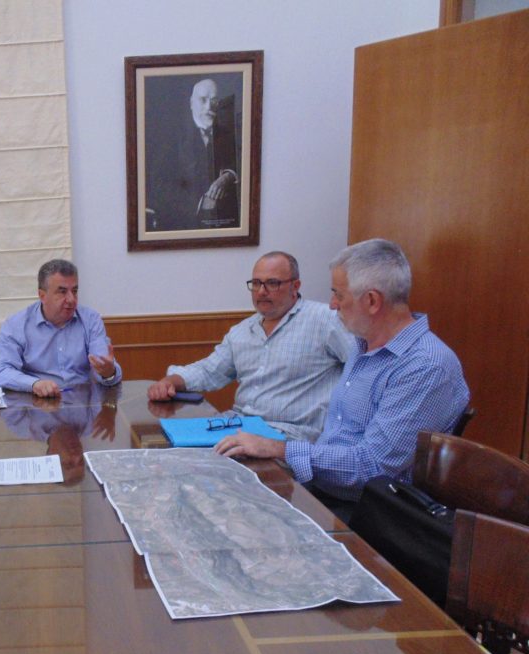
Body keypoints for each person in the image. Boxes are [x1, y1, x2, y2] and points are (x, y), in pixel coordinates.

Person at [215, 239, 470, 515]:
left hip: (368, 514)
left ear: (372, 301)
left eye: (339, 295)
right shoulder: (362, 346)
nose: (333, 305)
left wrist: (280, 449)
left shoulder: (424, 366)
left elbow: (371, 468)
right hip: (323, 490)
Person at [147, 251, 353, 441]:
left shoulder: (326, 320)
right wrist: (173, 380)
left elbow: (364, 370)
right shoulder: (242, 331)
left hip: (290, 437)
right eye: (256, 283)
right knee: (170, 445)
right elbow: (210, 370)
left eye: (272, 283)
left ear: (295, 286)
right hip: (238, 427)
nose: (261, 291)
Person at [0, 259, 121, 397]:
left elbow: (103, 364)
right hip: (36, 402)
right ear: (42, 296)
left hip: (82, 401)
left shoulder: (91, 320)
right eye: (62, 292)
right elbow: (2, 372)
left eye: (74, 291)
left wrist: (108, 373)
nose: (71, 299)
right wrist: (34, 384)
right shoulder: (16, 325)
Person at [146, 77, 239, 231]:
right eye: (203, 100)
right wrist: (200, 202)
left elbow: (239, 163)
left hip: (223, 225)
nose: (209, 107)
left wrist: (228, 175)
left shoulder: (227, 135)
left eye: (214, 101)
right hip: (182, 225)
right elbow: (157, 186)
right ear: (191, 103)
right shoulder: (171, 137)